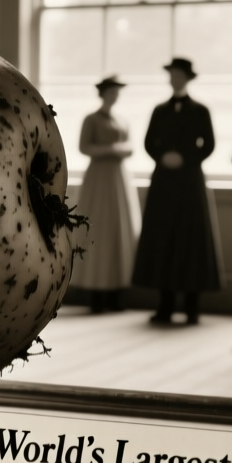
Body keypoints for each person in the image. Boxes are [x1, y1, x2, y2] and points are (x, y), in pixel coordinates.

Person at [131, 58, 221, 325]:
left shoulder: (201, 110)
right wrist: (162, 157)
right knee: (163, 238)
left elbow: (209, 144)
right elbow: (148, 142)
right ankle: (165, 304)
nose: (175, 79)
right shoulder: (159, 110)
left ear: (187, 78)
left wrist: (185, 158)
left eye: (179, 75)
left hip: (190, 182)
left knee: (191, 239)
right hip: (163, 182)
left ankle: (192, 307)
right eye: (172, 75)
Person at [72, 75, 140, 313]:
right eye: (111, 92)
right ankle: (95, 292)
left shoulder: (121, 120)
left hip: (117, 178)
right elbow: (84, 147)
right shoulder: (91, 119)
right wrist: (111, 149)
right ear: (103, 94)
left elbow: (131, 146)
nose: (115, 96)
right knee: (98, 228)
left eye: (117, 93)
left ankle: (115, 291)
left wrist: (120, 150)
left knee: (117, 228)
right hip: (99, 178)